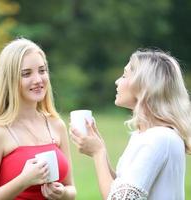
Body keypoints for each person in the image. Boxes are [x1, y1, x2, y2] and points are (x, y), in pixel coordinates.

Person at [70, 49, 191, 200]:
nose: (117, 81)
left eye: (124, 75)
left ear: (143, 86)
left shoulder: (160, 138)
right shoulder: (144, 136)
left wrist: (98, 153)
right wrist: (100, 148)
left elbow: (118, 198)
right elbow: (121, 188)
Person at [0, 38, 76, 200]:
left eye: (42, 71)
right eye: (26, 74)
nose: (38, 80)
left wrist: (62, 194)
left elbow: (71, 189)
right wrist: (23, 181)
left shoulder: (56, 125)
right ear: (10, 80)